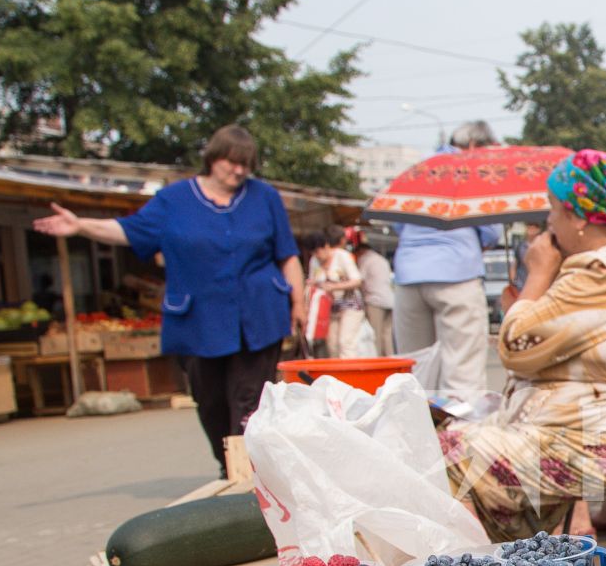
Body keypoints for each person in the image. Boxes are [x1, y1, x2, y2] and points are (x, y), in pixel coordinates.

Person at [440, 149, 606, 541]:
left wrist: (537, 276)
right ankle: (526, 558)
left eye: (553, 209)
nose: (548, 222)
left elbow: (516, 349)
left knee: (449, 447)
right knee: (479, 431)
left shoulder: (601, 272)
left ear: (578, 217)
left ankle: (498, 562)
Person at [36, 124, 303, 477]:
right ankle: (228, 465)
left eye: (245, 165)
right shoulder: (174, 200)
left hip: (258, 313)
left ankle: (251, 475)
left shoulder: (264, 197)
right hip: (199, 320)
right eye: (231, 163)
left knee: (249, 399)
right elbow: (128, 230)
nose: (238, 171)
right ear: (213, 158)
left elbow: (287, 255)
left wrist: (299, 302)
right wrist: (81, 226)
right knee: (210, 402)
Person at [394, 121, 504, 399]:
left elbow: (397, 221)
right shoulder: (472, 172)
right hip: (457, 275)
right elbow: (491, 227)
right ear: (473, 146)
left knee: (416, 371)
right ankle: (458, 439)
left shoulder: (417, 169)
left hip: (408, 277)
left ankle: (419, 436)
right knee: (462, 375)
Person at [307, 226, 364, 358]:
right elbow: (312, 280)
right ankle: (336, 377)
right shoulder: (314, 261)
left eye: (318, 251)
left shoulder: (342, 256)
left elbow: (357, 280)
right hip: (329, 309)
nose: (317, 255)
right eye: (313, 253)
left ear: (326, 246)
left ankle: (350, 376)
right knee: (332, 345)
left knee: (345, 343)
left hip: (350, 305)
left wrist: (334, 287)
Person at [352, 230, 395, 355]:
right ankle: (391, 361)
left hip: (375, 300)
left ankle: (377, 362)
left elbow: (359, 280)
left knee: (375, 334)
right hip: (390, 300)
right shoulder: (381, 259)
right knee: (387, 335)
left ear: (360, 252)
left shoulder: (365, 260)